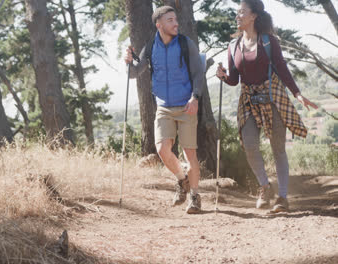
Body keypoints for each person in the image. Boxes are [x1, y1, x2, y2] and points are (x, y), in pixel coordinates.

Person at [216, 0, 318, 213]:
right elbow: (234, 80)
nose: (238, 16)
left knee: (278, 149)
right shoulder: (233, 46)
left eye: (242, 12)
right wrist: (223, 76)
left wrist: (297, 94)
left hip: (273, 98)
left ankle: (282, 197)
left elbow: (281, 68)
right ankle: (265, 186)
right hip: (248, 100)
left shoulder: (269, 42)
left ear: (253, 16)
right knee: (250, 144)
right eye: (237, 13)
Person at [124, 6, 205, 214]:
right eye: (170, 20)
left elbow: (198, 74)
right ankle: (182, 179)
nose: (175, 23)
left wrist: (195, 98)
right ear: (159, 24)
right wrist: (129, 61)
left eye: (176, 19)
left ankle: (195, 197)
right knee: (162, 150)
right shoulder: (151, 47)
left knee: (190, 154)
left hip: (186, 105)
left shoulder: (186, 44)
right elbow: (134, 73)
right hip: (163, 107)